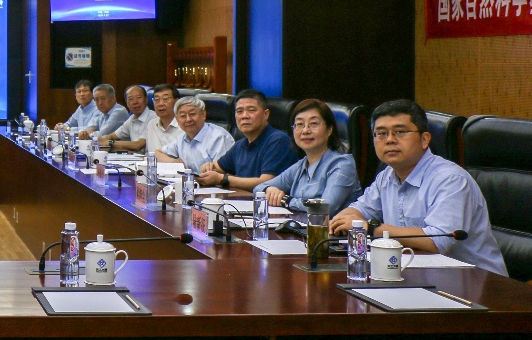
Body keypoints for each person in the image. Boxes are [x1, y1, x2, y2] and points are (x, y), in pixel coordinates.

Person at [330, 100, 507, 276]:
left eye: (400, 132)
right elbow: (361, 209)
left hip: (476, 281)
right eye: (381, 133)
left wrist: (371, 229)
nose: (390, 140)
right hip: (415, 274)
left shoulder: (451, 180)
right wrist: (343, 220)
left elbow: (438, 241)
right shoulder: (387, 175)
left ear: (424, 140)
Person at [253, 99, 361, 215]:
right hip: (300, 225)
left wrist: (286, 200)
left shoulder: (342, 165)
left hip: (330, 227)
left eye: (313, 124)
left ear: (329, 129)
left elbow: (325, 207)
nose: (305, 130)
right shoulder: (300, 166)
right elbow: (258, 188)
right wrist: (269, 190)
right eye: (299, 124)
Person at [196, 89, 299, 192]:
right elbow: (217, 168)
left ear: (266, 114)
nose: (244, 116)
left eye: (251, 110)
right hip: (241, 200)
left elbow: (266, 182)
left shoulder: (279, 140)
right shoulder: (240, 144)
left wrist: (222, 179)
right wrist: (208, 167)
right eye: (239, 111)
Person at [157, 96, 235, 172]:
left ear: (203, 114)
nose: (188, 119)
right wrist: (172, 161)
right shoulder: (181, 138)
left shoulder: (219, 138)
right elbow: (157, 153)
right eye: (183, 116)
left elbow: (224, 172)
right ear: (177, 120)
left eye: (192, 114)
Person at [115, 83, 183, 153]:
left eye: (165, 99)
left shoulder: (183, 126)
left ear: (176, 102)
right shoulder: (151, 125)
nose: (160, 104)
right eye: (157, 99)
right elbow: (149, 154)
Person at [101, 85, 156, 151]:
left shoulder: (153, 118)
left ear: (146, 100)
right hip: (135, 156)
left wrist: (110, 142)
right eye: (130, 99)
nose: (135, 102)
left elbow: (138, 145)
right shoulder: (131, 119)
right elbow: (112, 136)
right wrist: (100, 140)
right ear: (126, 103)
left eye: (139, 97)